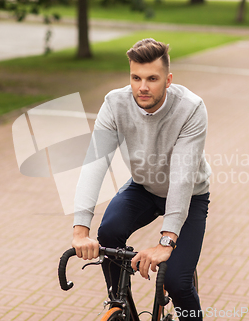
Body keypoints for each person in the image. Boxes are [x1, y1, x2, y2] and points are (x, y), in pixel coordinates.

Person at [71, 38, 212, 321]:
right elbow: (94, 165)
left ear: (168, 80)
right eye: (136, 77)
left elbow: (183, 178)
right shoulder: (115, 103)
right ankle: (120, 305)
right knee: (108, 234)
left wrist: (166, 241)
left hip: (190, 195)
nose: (142, 87)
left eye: (152, 79)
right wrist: (79, 229)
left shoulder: (192, 108)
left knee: (177, 282)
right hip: (144, 187)